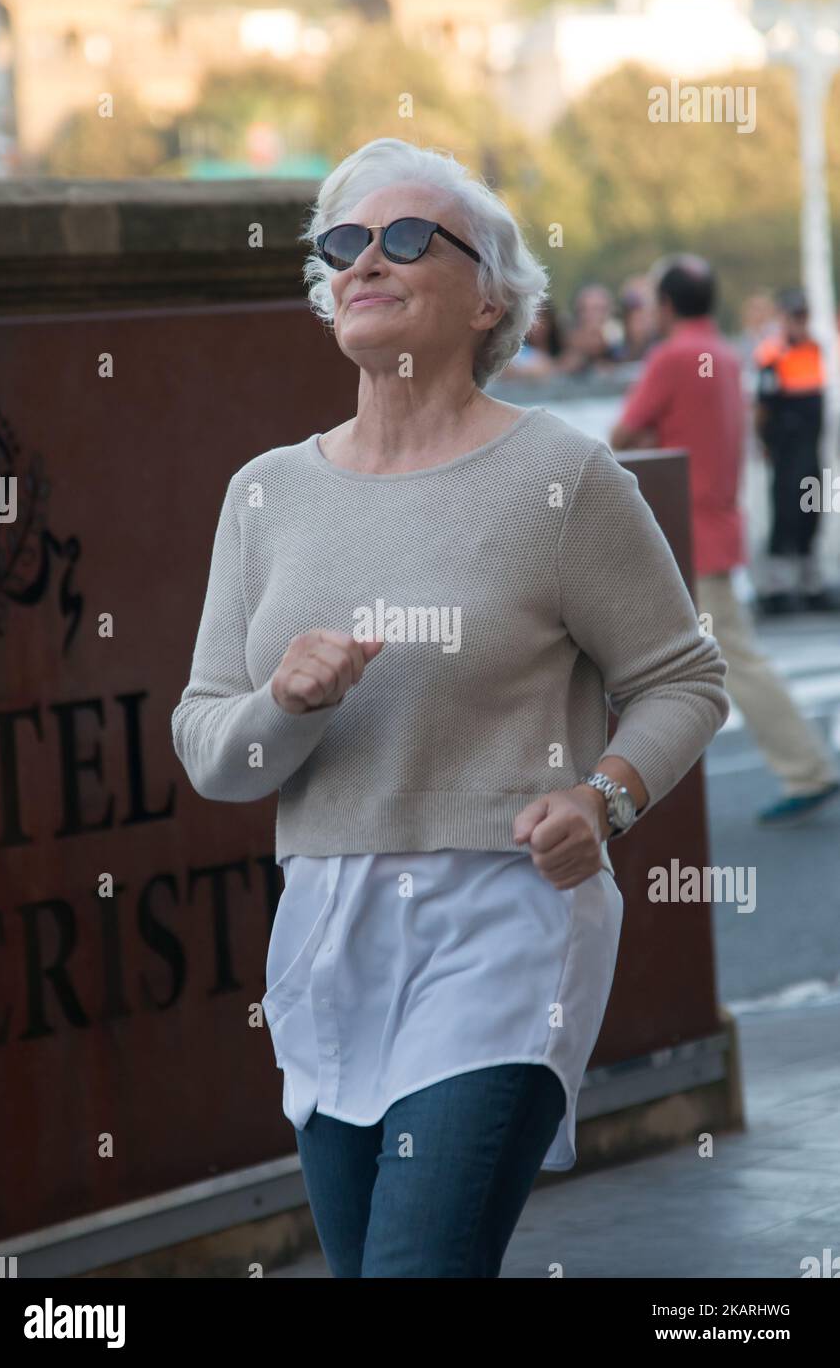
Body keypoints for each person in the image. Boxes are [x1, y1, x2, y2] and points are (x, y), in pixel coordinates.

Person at [171, 141, 729, 1279]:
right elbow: (210, 750)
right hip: (326, 933)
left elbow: (684, 677)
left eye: (408, 237)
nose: (366, 260)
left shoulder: (561, 478)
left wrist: (601, 797)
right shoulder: (265, 492)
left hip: (502, 922)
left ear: (489, 297)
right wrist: (283, 702)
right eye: (344, 244)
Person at [611, 254, 839, 826]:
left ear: (665, 306)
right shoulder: (724, 353)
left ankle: (806, 766)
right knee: (720, 655)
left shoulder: (672, 358)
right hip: (716, 521)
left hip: (681, 529)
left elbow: (621, 432)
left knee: (728, 657)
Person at [753, 289, 834, 613]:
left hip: (810, 446)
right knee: (785, 512)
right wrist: (764, 442)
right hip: (785, 448)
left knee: (811, 508)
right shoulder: (772, 353)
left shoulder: (816, 349)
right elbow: (762, 406)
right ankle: (777, 585)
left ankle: (809, 581)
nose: (800, 323)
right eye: (794, 316)